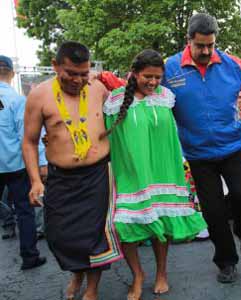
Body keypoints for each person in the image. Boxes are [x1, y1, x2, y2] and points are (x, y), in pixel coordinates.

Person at [100, 13, 241, 283]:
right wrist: (104, 80)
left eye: (210, 45)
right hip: (198, 155)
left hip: (233, 146)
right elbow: (143, 87)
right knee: (213, 213)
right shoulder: (170, 69)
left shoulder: (231, 65)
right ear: (188, 40)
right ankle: (226, 262)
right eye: (200, 45)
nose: (205, 51)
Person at [102, 49, 207, 299]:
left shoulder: (166, 97)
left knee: (162, 224)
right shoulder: (115, 100)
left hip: (163, 173)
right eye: (148, 76)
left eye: (158, 77)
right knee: (125, 226)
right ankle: (137, 275)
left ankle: (162, 272)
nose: (153, 82)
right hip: (130, 175)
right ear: (134, 73)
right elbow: (107, 136)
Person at [22, 42, 122, 300]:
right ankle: (77, 272)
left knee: (95, 235)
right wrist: (35, 181)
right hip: (60, 178)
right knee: (58, 234)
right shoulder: (39, 96)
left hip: (97, 174)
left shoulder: (99, 88)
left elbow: (131, 99)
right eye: (71, 73)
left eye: (83, 73)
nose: (78, 80)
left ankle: (92, 288)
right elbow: (30, 141)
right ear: (55, 66)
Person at [0, 55, 47, 270]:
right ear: (11, 73)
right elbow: (28, 135)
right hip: (15, 164)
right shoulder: (18, 100)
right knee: (25, 210)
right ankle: (29, 257)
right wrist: (41, 163)